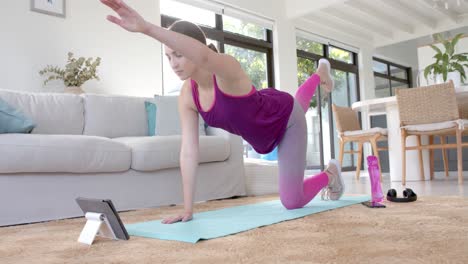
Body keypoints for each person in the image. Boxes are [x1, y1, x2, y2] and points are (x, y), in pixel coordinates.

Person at [100, 0, 345, 224]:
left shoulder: (226, 69)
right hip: (270, 115)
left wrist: (146, 28)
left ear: (195, 49)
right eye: (168, 57)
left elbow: (205, 58)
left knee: (291, 200)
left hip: (286, 119)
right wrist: (188, 209)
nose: (173, 63)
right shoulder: (188, 94)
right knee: (296, 105)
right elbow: (188, 152)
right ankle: (319, 74)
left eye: (179, 54)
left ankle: (331, 174)